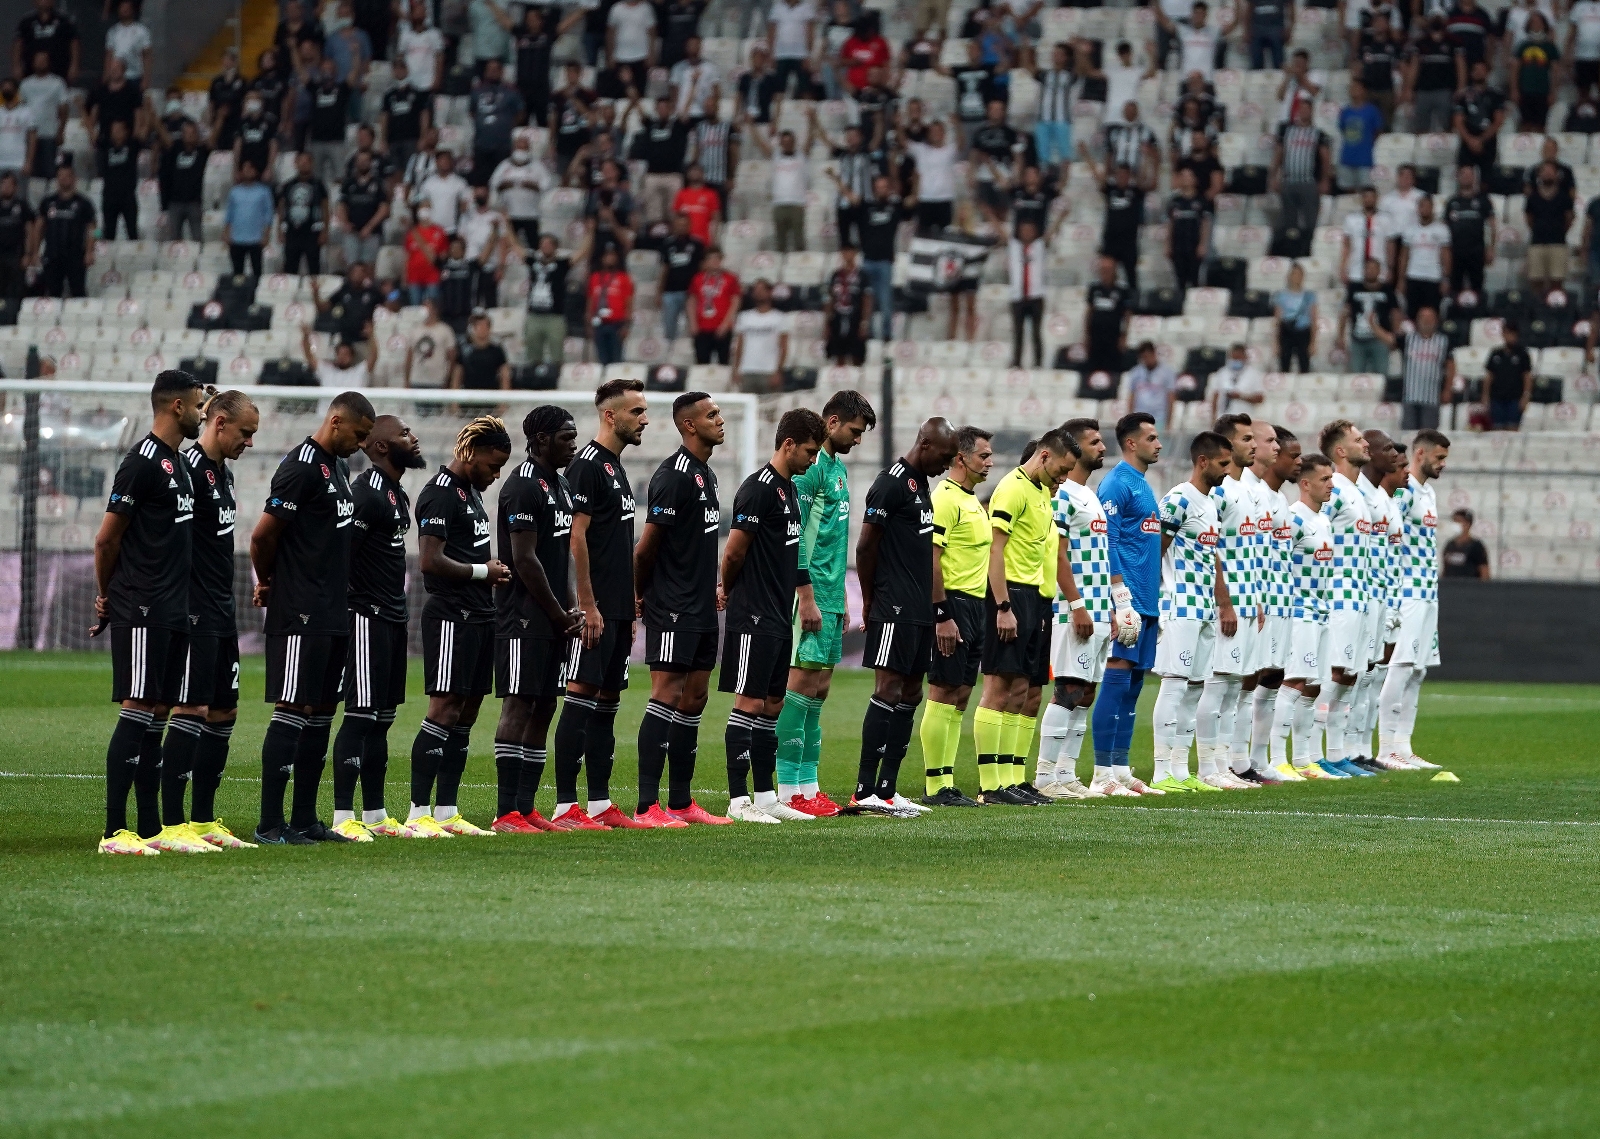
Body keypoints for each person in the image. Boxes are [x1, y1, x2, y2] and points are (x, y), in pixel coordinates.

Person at [248, 391, 376, 844]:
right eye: (359, 435)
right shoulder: (300, 465)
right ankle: (269, 824)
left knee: (321, 713)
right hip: (300, 608)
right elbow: (263, 536)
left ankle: (304, 819)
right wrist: (266, 581)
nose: (361, 444)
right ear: (336, 421)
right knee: (292, 709)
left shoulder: (339, 468)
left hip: (331, 608)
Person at [92, 372, 209, 855]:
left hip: (171, 605)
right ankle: (114, 832)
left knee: (158, 712)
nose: (203, 413)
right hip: (140, 603)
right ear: (176, 406)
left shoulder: (178, 462)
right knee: (138, 707)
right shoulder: (139, 463)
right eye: (199, 405)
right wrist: (107, 595)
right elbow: (106, 538)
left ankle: (148, 827)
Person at [403, 418, 514, 837]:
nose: (497, 473)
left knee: (467, 713)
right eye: (493, 464)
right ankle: (418, 813)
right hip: (450, 614)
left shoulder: (470, 493)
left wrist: (488, 575)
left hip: (479, 614)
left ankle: (447, 811)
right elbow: (430, 561)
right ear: (471, 454)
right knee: (444, 709)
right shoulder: (439, 494)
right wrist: (482, 571)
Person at [716, 409, 828, 823]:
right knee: (748, 703)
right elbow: (733, 552)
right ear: (788, 445)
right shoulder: (758, 489)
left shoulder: (791, 492)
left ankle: (765, 796)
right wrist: (728, 589)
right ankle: (737, 800)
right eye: (810, 452)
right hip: (754, 615)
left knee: (773, 704)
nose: (813, 461)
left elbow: (793, 554)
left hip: (781, 615)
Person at [632, 392, 734, 828]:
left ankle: (680, 802)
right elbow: (648, 545)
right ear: (689, 425)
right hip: (672, 605)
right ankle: (646, 805)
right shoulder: (672, 476)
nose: (720, 420)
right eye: (712, 415)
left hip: (700, 605)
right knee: (666, 694)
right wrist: (638, 594)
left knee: (695, 697)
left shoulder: (705, 475)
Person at [551, 379, 647, 830]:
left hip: (617, 607)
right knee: (582, 694)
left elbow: (616, 542)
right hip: (595, 609)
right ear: (611, 416)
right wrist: (587, 604)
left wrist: (628, 603)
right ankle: (565, 805)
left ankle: (598, 804)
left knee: (608, 701)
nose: (644, 419)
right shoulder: (587, 465)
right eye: (636, 411)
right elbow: (576, 538)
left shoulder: (616, 467)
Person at [774, 391, 876, 814]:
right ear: (832, 421)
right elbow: (795, 535)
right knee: (799, 684)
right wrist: (806, 595)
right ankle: (786, 789)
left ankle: (809, 786)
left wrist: (840, 599)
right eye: (854, 431)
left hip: (832, 594)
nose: (858, 440)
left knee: (820, 688)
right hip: (809, 593)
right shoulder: (810, 468)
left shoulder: (836, 469)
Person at [854, 418, 960, 815]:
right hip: (893, 604)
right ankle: (863, 789)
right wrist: (870, 599)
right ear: (925, 443)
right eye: (945, 457)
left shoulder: (922, 488)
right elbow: (866, 547)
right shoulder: (891, 483)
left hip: (918, 609)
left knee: (912, 693)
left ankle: (886, 789)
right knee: (888, 689)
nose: (947, 465)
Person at [488, 408, 587, 833]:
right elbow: (524, 560)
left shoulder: (560, 485)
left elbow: (558, 556)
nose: (573, 444)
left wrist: (571, 609)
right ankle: (506, 812)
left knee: (546, 704)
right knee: (519, 704)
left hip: (553, 618)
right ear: (541, 439)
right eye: (566, 437)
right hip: (522, 617)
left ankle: (527, 809)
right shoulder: (523, 486)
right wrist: (558, 612)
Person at [329, 416, 427, 840]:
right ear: (382, 447)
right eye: (404, 434)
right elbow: (341, 556)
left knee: (383, 719)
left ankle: (374, 813)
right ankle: (341, 816)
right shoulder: (366, 493)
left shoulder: (396, 492)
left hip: (392, 617)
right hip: (365, 616)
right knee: (360, 715)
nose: (414, 437)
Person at [970, 429, 1079, 806]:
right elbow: (994, 550)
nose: (1063, 478)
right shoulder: (1012, 489)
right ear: (1046, 456)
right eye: (1061, 469)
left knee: (1024, 691)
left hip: (1037, 599)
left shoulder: (1041, 494)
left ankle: (1013, 779)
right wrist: (1002, 606)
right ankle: (990, 785)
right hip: (1012, 595)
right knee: (999, 689)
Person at [1040, 419, 1142, 798]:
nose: (1102, 447)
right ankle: (1045, 777)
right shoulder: (1062, 493)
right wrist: (1077, 605)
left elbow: (1099, 558)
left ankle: (1067, 775)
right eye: (1094, 442)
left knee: (1086, 694)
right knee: (1067, 689)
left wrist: (1113, 609)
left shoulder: (1090, 495)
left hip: (1099, 612)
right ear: (1073, 447)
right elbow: (1057, 555)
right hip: (1075, 611)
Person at [1149, 431, 1234, 793]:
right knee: (1174, 685)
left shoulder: (1211, 502)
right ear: (1203, 461)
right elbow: (1157, 549)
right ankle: (1160, 771)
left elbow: (1210, 557)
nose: (1227, 471)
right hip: (1179, 604)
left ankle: (1182, 771)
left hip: (1203, 607)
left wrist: (1221, 599)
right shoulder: (1179, 498)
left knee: (1196, 688)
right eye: (1223, 463)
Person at [917, 425, 993, 807]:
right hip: (954, 604)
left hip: (976, 605)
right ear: (961, 458)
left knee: (961, 693)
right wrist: (942, 613)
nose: (990, 462)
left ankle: (946, 780)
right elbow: (933, 558)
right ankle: (936, 784)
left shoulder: (972, 500)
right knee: (943, 690)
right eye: (983, 455)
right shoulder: (944, 498)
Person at [1091, 412, 1163, 791]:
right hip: (1128, 601)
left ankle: (1120, 769)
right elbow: (1109, 542)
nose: (1159, 444)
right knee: (1117, 677)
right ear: (1132, 443)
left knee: (1134, 684)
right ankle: (1102, 773)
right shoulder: (1117, 483)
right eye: (1152, 438)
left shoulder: (1144, 485)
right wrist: (1121, 599)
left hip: (1148, 602)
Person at [1197, 414, 1264, 788]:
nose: (1253, 444)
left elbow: (1247, 551)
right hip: (1226, 604)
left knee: (1235, 686)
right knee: (1218, 683)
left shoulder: (1244, 490)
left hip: (1246, 599)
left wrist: (1255, 598)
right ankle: (1210, 768)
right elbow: (1212, 550)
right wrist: (1224, 601)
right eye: (1246, 438)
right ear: (1226, 444)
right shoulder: (1218, 492)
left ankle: (1225, 765)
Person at [1377, 429, 1448, 770]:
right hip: (1407, 594)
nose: (1443, 464)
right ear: (1421, 454)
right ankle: (1386, 747)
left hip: (1427, 593)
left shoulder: (1429, 492)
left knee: (1417, 671)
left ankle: (1404, 747)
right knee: (1400, 667)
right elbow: (1391, 545)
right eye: (1440, 457)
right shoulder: (1403, 495)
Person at [1314, 418, 1378, 779]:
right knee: (1333, 674)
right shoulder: (1334, 489)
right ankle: (1313, 753)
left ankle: (1337, 754)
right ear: (1340, 451)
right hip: (1337, 595)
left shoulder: (1356, 491)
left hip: (1359, 597)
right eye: (1357, 440)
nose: (1364, 443)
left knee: (1351, 676)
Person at [1240, 422, 1301, 780]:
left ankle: (1255, 760)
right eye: (1272, 442)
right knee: (1243, 678)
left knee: (1271, 676)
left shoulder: (1276, 498)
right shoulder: (1246, 490)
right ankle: (1233, 760)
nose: (1277, 449)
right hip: (1250, 599)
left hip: (1276, 599)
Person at [1270, 451, 1335, 778]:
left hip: (1322, 613)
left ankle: (1304, 759)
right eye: (1325, 479)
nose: (1331, 485)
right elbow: (1276, 564)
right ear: (1306, 483)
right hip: (1299, 613)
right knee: (1293, 682)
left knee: (1314, 686)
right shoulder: (1293, 518)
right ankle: (1278, 757)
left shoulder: (1323, 519)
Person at [1369, 305, 1453, 430]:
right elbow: (1389, 340)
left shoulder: (1443, 341)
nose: (1426, 321)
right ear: (1417, 320)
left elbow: (1451, 366)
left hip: (1432, 397)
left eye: (1429, 318)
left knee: (1427, 436)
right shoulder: (1408, 339)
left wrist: (1447, 389)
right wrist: (1373, 325)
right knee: (1408, 435)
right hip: (1410, 396)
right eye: (1423, 317)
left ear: (1436, 320)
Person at [1272, 100, 1330, 243]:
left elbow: (1325, 158)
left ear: (1311, 112)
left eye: (1307, 109)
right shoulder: (1287, 131)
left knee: (1310, 220)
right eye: (1301, 109)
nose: (1304, 112)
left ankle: (1308, 247)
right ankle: (1290, 248)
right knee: (1288, 220)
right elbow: (1279, 154)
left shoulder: (1318, 134)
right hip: (1289, 180)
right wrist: (1273, 176)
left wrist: (1324, 180)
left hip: (1309, 182)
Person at [35, 162, 95, 299]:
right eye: (60, 176)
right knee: (52, 293)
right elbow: (39, 227)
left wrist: (90, 251)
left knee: (78, 292)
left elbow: (94, 230)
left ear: (74, 178)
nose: (63, 179)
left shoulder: (84, 203)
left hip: (76, 255)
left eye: (67, 176)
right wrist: (35, 251)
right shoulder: (47, 202)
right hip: (52, 254)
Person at [1524, 161, 1574, 298]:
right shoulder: (1532, 197)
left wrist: (1559, 231)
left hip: (1558, 243)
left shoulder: (1564, 197)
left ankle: (1555, 312)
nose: (1547, 174)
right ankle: (1537, 311)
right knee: (1536, 281)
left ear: (1557, 175)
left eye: (1551, 171)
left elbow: (1569, 218)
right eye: (1544, 171)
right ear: (1539, 175)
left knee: (1557, 282)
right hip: (1537, 243)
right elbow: (1529, 218)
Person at [1444, 165, 1495, 297]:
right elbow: (1445, 228)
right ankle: (1456, 315)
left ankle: (1477, 314)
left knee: (1477, 287)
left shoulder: (1483, 201)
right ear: (1458, 178)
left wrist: (1490, 248)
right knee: (1455, 287)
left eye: (1469, 174)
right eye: (1463, 174)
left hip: (1476, 251)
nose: (1466, 177)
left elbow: (1491, 225)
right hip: (1456, 251)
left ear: (1474, 178)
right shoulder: (1452, 202)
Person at [491, 135, 551, 248]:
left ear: (529, 149)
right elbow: (494, 183)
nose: (521, 151)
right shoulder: (504, 165)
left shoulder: (537, 166)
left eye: (524, 148)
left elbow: (546, 184)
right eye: (519, 148)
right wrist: (503, 185)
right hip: (510, 214)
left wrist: (534, 186)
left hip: (530, 214)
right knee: (508, 244)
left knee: (533, 245)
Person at [1100, 164, 1150, 296]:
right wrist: (1087, 157)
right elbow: (1098, 179)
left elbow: (1148, 183)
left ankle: (1133, 304)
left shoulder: (1135, 192)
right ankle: (1109, 302)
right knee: (1108, 273)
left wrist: (1147, 159)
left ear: (1129, 176)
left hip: (1129, 241)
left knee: (1131, 275)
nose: (1121, 177)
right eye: (1119, 175)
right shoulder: (1111, 190)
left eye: (1124, 175)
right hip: (1111, 240)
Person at [732, 279, 789, 392]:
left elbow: (783, 347)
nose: (759, 293)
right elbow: (739, 345)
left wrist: (778, 371)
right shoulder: (744, 317)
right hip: (747, 370)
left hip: (769, 371)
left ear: (769, 292)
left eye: (762, 289)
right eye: (756, 290)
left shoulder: (779, 318)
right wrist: (736, 369)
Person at [277, 151, 329, 277]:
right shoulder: (288, 185)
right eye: (301, 162)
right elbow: (281, 209)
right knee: (290, 268)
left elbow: (325, 209)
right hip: (292, 232)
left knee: (314, 268)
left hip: (312, 232)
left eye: (307, 162)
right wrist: (279, 230)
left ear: (312, 164)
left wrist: (325, 231)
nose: (304, 165)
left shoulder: (318, 185)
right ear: (296, 164)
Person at [521, 233, 570, 366]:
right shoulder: (533, 262)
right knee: (532, 356)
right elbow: (516, 248)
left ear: (555, 247)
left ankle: (554, 381)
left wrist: (590, 233)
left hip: (555, 316)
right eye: (543, 244)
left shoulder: (562, 264)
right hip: (534, 315)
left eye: (548, 244)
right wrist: (506, 224)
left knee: (556, 355)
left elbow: (582, 254)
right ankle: (534, 381)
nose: (545, 246)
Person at [1453, 59, 1506, 179]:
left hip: (1488, 140)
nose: (1479, 73)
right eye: (1476, 70)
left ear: (1487, 72)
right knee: (1464, 176)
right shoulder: (1462, 96)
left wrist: (1481, 140)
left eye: (1482, 70)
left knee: (1487, 180)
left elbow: (1498, 120)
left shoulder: (1496, 95)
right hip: (1467, 140)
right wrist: (1470, 140)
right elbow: (1458, 120)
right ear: (1471, 73)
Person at [688, 246, 740, 364]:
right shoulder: (698, 278)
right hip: (702, 327)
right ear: (705, 262)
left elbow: (735, 301)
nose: (714, 261)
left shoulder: (730, 278)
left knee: (723, 362)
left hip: (722, 327)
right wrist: (692, 323)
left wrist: (726, 324)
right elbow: (692, 300)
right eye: (711, 259)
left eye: (717, 259)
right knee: (701, 362)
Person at [223, 159, 274, 279]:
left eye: (250, 168)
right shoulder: (234, 192)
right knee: (237, 273)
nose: (248, 171)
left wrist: (266, 235)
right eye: (245, 168)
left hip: (255, 239)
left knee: (257, 272)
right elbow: (229, 214)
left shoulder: (263, 191)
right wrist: (226, 232)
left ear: (256, 172)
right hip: (236, 238)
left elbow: (268, 215)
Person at [160, 119, 207, 242]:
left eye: (193, 132)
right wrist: (154, 117)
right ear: (182, 134)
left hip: (194, 202)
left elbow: (212, 141)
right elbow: (164, 137)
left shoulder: (202, 151)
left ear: (197, 134)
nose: (190, 135)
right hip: (175, 201)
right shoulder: (175, 149)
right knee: (174, 239)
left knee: (197, 238)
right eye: (187, 132)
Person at [585, 245, 634, 367]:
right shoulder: (595, 277)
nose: (610, 259)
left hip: (616, 323)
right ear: (602, 259)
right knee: (602, 359)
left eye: (612, 256)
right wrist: (588, 322)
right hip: (598, 323)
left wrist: (626, 325)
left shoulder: (624, 278)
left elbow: (629, 303)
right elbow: (590, 301)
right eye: (607, 256)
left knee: (616, 359)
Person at [1510, 12, 1558, 131]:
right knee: (1525, 124)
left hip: (1542, 91)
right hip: (1525, 90)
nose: (1536, 25)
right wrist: (1514, 89)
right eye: (1533, 23)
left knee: (1541, 125)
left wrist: (1553, 91)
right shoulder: (1522, 46)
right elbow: (1515, 69)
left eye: (1539, 22)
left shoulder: (1550, 47)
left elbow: (1555, 71)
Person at [1084, 255, 1131, 377]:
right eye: (1103, 270)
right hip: (1096, 335)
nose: (1105, 273)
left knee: (1112, 368)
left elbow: (1127, 315)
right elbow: (1089, 312)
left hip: (1113, 336)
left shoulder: (1122, 291)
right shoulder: (1094, 289)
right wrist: (1086, 335)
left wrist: (1124, 335)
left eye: (1108, 270)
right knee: (1094, 368)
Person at [340, 152, 389, 269]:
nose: (362, 163)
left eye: (366, 160)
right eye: (360, 160)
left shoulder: (378, 183)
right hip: (352, 232)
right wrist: (345, 223)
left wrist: (369, 227)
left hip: (372, 233)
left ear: (371, 163)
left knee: (369, 267)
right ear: (356, 163)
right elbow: (341, 205)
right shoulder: (348, 183)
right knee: (352, 267)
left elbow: (384, 208)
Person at [824, 244, 870, 365]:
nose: (847, 255)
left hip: (856, 316)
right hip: (837, 317)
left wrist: (864, 322)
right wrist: (827, 322)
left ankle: (857, 380)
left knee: (857, 354)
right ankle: (841, 379)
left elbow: (867, 299)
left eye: (850, 252)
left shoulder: (862, 276)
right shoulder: (835, 275)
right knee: (839, 353)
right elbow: (829, 298)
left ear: (855, 254)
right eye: (844, 252)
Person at [1009, 220, 1046, 369]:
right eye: (1024, 230)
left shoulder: (1039, 247)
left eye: (1030, 230)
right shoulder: (1013, 247)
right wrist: (989, 214)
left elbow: (1050, 234)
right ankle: (1016, 362)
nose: (1027, 233)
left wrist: (1061, 218)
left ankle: (1038, 363)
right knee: (1018, 332)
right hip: (1017, 296)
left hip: (1036, 296)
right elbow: (1001, 232)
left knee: (1036, 332)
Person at [1165, 166, 1209, 292]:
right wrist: (1168, 244)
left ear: (1194, 180)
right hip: (1178, 245)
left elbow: (1205, 224)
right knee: (1179, 280)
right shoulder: (1174, 201)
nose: (1185, 179)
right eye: (1182, 176)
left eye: (1188, 176)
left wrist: (1202, 244)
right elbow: (1170, 223)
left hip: (1194, 245)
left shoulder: (1201, 201)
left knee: (1194, 279)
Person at [1341, 185, 1393, 290]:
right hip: (1356, 270)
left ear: (1376, 198)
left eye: (1371, 197)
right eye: (1366, 197)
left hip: (1379, 271)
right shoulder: (1351, 219)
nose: (1369, 200)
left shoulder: (1386, 220)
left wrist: (1390, 268)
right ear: (1362, 199)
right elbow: (1346, 246)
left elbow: (1390, 246)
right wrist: (1343, 268)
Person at [1484, 322, 1534, 430]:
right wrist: (1485, 396)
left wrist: (1526, 396)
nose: (1509, 337)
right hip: (1496, 398)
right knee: (1497, 428)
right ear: (1503, 335)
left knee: (1512, 429)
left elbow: (1527, 377)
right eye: (1507, 334)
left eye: (1512, 334)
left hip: (1515, 398)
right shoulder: (1495, 353)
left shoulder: (1523, 354)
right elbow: (1489, 376)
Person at [1336, 79, 1383, 191]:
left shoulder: (1372, 111)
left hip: (1364, 158)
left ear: (1364, 91)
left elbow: (1377, 131)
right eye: (1351, 87)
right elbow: (1343, 130)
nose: (1353, 90)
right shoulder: (1345, 111)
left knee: (1365, 190)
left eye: (1357, 87)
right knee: (1347, 192)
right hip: (1347, 157)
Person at [1273, 262, 1318, 373]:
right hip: (1287, 331)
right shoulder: (1281, 295)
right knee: (1284, 366)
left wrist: (1313, 342)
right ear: (1289, 276)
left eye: (1299, 274)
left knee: (1304, 365)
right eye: (1294, 274)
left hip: (1303, 331)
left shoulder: (1309, 296)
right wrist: (1276, 342)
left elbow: (1313, 318)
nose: (1296, 277)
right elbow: (1277, 320)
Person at [1127, 341, 1177, 432]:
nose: (1146, 360)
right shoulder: (1136, 372)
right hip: (1139, 417)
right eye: (1143, 358)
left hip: (1159, 418)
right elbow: (1132, 396)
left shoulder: (1167, 372)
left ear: (1154, 354)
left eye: (1148, 356)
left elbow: (1171, 397)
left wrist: (1169, 422)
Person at [0, 172, 35, 301]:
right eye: (3, 184)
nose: (6, 187)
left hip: (16, 254)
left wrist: (28, 254)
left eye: (9, 184)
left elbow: (29, 230)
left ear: (16, 187)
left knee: (16, 290)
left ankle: (13, 316)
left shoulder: (22, 206)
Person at [1210, 342, 1266, 418]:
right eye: (1233, 358)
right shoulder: (1222, 373)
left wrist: (1241, 397)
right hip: (1223, 417)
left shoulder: (1253, 375)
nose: (1235, 360)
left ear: (1245, 357)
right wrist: (1213, 417)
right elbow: (1215, 396)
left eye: (1238, 358)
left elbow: (1260, 398)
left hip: (1243, 417)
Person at [0, 78, 36, 186]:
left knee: (20, 197)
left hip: (19, 163)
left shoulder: (26, 112)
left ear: (16, 91)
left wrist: (29, 162)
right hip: (1, 162)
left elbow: (33, 139)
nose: (6, 90)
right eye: (4, 88)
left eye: (9, 88)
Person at [1444, 508, 1490, 579]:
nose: (1455, 524)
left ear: (1468, 524)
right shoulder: (1450, 545)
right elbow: (1445, 569)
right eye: (1454, 521)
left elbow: (1484, 572)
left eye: (1458, 521)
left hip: (1470, 588)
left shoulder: (1476, 546)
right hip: (1451, 588)